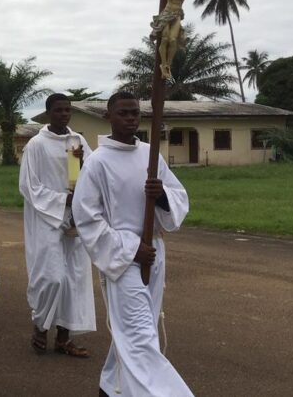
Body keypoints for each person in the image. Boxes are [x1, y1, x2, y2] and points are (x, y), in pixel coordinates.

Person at [72, 92, 191, 397]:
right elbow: (86, 217)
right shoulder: (97, 162)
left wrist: (161, 195)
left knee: (136, 330)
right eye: (123, 113)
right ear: (108, 117)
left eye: (135, 113)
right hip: (122, 260)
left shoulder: (151, 155)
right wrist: (130, 248)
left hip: (154, 254)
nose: (130, 118)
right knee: (140, 338)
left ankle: (110, 387)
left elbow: (178, 197)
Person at [19, 93, 96, 357]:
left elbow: (92, 173)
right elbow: (29, 186)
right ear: (48, 113)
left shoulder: (79, 140)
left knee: (74, 278)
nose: (64, 115)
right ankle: (40, 325)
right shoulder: (36, 145)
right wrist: (63, 199)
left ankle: (65, 337)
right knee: (52, 277)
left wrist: (84, 164)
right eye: (59, 110)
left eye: (67, 110)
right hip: (47, 217)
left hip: (76, 218)